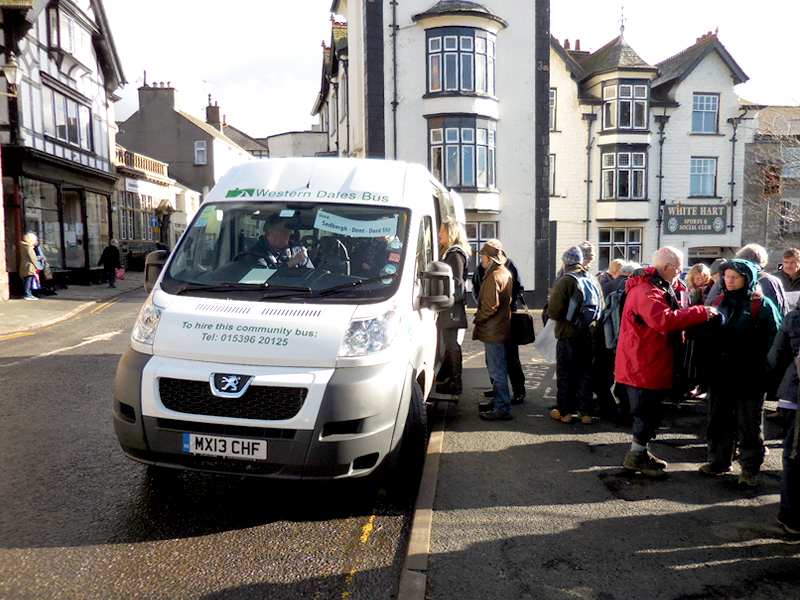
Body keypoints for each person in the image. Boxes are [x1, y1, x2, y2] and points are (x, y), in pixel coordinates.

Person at [615, 246, 717, 477]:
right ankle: (636, 457)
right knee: (646, 413)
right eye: (679, 268)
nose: (682, 272)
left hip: (649, 360)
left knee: (650, 413)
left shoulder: (662, 286)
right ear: (665, 268)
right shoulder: (645, 291)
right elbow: (664, 321)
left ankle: (640, 454)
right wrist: (702, 312)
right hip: (642, 363)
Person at [699, 259, 781, 487]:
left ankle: (749, 469)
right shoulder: (717, 301)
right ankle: (718, 461)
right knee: (718, 420)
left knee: (749, 424)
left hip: (750, 377)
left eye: (735, 277)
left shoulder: (761, 305)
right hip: (721, 374)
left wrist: (766, 372)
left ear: (748, 278)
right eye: (726, 276)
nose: (729, 281)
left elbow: (774, 341)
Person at [547, 245, 602, 424]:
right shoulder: (592, 279)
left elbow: (554, 312)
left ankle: (565, 412)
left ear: (565, 263)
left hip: (567, 334)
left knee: (565, 374)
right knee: (585, 373)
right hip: (588, 333)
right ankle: (586, 413)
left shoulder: (564, 281)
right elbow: (601, 307)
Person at [472, 245, 526, 404]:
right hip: (495, 321)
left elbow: (518, 288)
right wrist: (481, 304)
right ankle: (498, 391)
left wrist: (503, 305)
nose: (481, 258)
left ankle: (518, 391)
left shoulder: (506, 267)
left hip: (505, 318)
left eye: (483, 255)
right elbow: (476, 289)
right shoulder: (482, 269)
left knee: (510, 358)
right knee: (493, 360)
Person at [473, 240, 514, 421]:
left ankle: (502, 407)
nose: (480, 259)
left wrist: (478, 319)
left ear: (489, 259)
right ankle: (499, 402)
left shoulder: (493, 277)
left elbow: (489, 307)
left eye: (482, 256)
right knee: (498, 369)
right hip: (500, 327)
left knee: (497, 371)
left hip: (493, 330)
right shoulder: (505, 273)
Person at [767, 309, 800, 534]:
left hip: (792, 395)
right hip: (795, 396)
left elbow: (775, 355)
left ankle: (790, 513)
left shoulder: (794, 316)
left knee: (793, 456)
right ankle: (790, 514)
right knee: (793, 455)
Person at [435, 218, 471, 395]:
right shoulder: (451, 252)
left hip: (452, 307)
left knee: (451, 344)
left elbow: (456, 283)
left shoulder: (455, 254)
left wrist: (443, 300)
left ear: (451, 233)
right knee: (449, 343)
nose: (439, 234)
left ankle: (456, 382)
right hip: (450, 306)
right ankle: (450, 379)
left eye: (442, 231)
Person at [706, 244, 787, 315]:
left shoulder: (725, 279)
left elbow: (709, 307)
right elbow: (782, 310)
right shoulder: (773, 281)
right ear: (762, 261)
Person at [19, 232, 39, 301]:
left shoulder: (24, 247)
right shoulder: (29, 247)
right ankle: (28, 294)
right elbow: (33, 258)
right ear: (30, 240)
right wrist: (37, 266)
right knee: (29, 281)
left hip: (25, 266)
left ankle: (28, 294)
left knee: (28, 281)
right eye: (34, 240)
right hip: (29, 267)